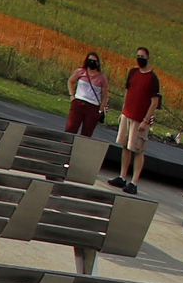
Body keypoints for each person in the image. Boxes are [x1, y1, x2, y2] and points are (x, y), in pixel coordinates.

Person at [116, 45, 160, 192]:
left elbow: (154, 102)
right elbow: (128, 91)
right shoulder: (133, 72)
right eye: (138, 56)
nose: (140, 59)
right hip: (127, 114)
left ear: (148, 58)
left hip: (139, 119)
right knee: (125, 146)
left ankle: (134, 182)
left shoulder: (153, 78)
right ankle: (122, 177)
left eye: (142, 56)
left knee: (138, 150)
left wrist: (146, 120)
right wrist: (123, 111)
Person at [66, 51, 107, 140]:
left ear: (98, 63)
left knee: (86, 134)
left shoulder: (102, 77)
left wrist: (100, 111)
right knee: (71, 129)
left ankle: (80, 152)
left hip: (93, 107)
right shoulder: (81, 71)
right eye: (90, 60)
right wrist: (72, 96)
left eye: (94, 61)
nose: (92, 63)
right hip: (78, 103)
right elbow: (70, 81)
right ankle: (64, 149)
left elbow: (104, 96)